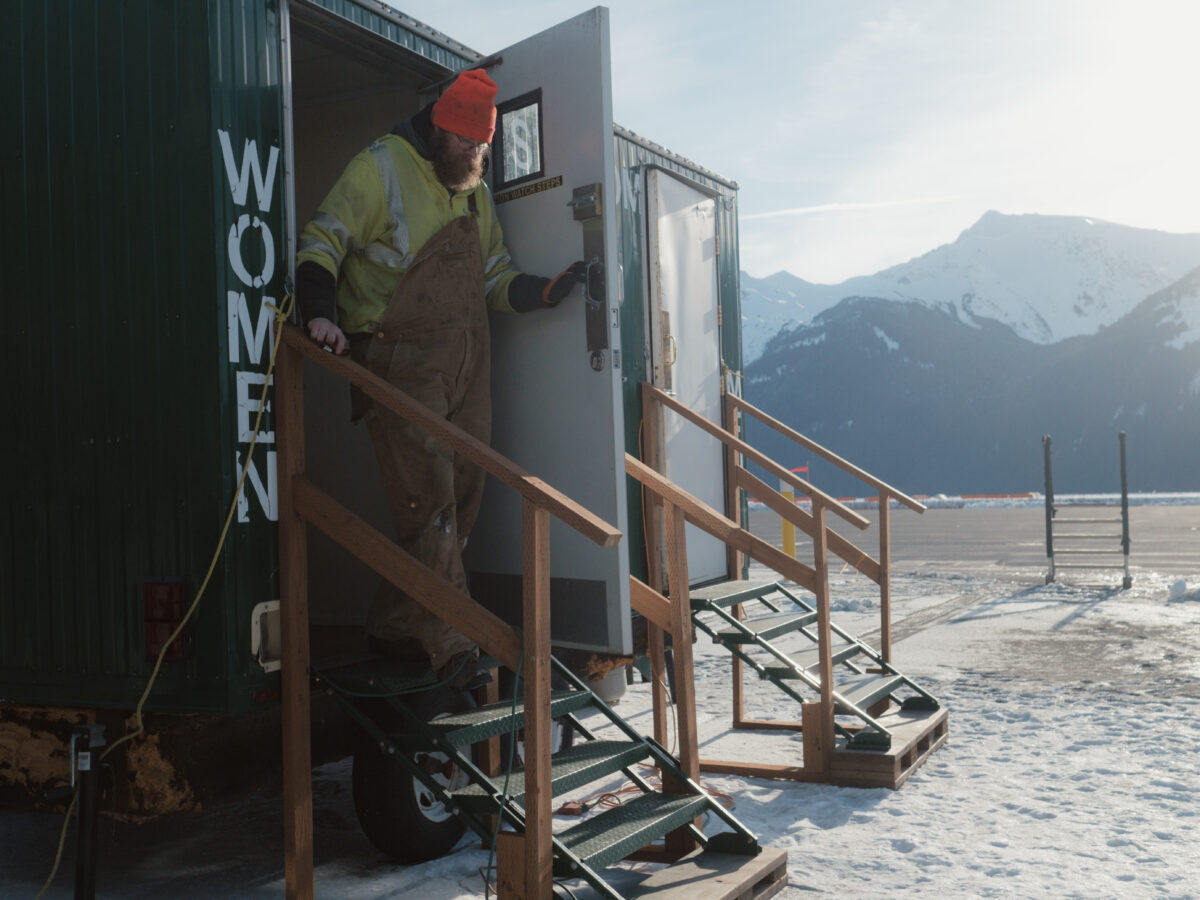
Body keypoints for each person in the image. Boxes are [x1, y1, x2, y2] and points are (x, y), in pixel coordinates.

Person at [296, 69, 585, 690]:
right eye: (464, 144)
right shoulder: (380, 169)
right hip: (397, 361)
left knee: (463, 497)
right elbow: (320, 242)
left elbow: (492, 277)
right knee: (428, 501)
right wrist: (319, 315)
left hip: (465, 362)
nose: (474, 156)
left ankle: (396, 623)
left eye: (483, 147)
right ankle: (456, 644)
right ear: (439, 127)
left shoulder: (475, 191)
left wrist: (539, 292)